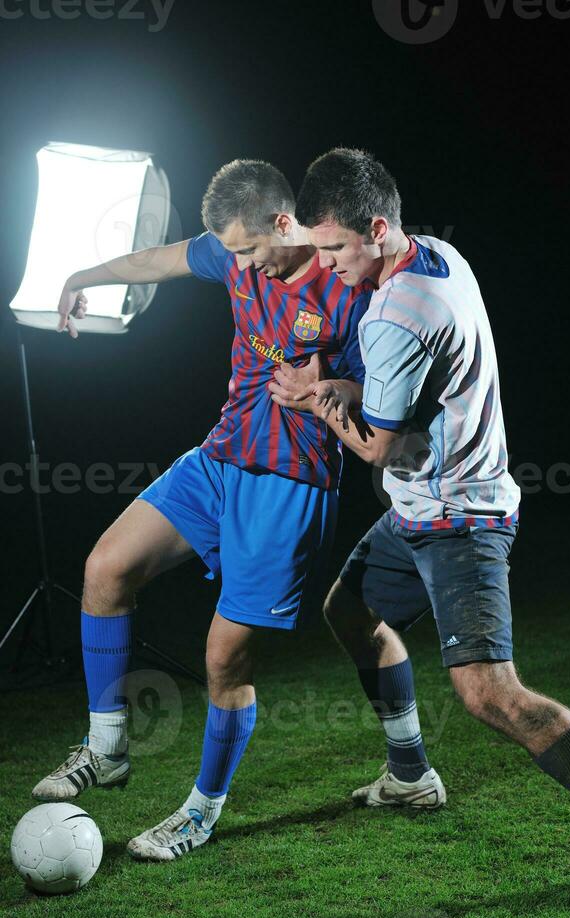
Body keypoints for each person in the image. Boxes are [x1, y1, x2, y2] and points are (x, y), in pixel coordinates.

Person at [270, 147, 570, 906]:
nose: (325, 265)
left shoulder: (395, 315)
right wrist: (347, 385)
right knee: (348, 610)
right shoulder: (439, 257)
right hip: (418, 508)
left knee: (488, 693)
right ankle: (411, 775)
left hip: (460, 519)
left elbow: (379, 443)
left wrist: (309, 398)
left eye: (334, 248)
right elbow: (411, 396)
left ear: (377, 229)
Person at [31, 159, 371, 862]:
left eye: (248, 250)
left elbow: (389, 396)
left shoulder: (347, 286)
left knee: (223, 659)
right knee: (105, 569)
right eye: (230, 253)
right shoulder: (234, 253)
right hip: (217, 463)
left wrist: (333, 383)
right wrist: (80, 278)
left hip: (290, 485)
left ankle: (199, 811)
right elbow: (159, 259)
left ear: (285, 223)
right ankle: (107, 749)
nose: (240, 265)